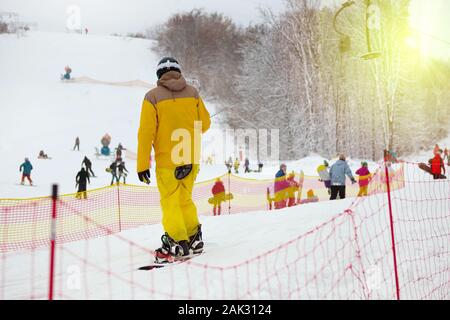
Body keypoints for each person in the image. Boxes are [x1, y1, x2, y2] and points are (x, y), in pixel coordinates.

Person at [137, 57, 211, 263]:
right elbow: (204, 124)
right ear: (178, 72)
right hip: (190, 158)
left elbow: (146, 133)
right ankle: (194, 238)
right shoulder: (193, 93)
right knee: (185, 199)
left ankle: (177, 243)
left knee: (170, 202)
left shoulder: (151, 97)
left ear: (159, 75)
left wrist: (142, 165)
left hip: (168, 161)